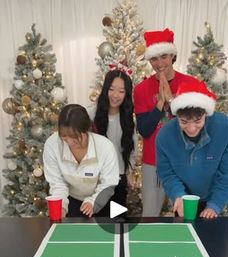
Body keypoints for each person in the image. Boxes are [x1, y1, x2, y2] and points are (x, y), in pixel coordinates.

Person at [134, 28, 196, 216]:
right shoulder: (142, 89)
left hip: (186, 161)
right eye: (154, 59)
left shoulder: (190, 84)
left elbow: (194, 128)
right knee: (150, 216)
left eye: (164, 57)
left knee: (187, 216)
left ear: (172, 56)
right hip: (154, 162)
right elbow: (144, 130)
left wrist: (171, 102)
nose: (159, 63)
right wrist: (160, 103)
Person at [156, 79, 228, 219]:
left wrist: (215, 205)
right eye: (184, 122)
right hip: (183, 198)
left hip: (215, 197)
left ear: (206, 113)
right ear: (177, 116)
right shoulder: (164, 136)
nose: (191, 129)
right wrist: (178, 195)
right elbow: (167, 174)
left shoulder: (227, 129)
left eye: (198, 121)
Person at [43, 104, 119, 217]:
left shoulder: (105, 147)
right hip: (72, 199)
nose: (69, 142)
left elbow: (108, 184)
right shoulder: (52, 144)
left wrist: (93, 202)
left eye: (74, 137)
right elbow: (57, 183)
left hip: (101, 200)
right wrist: (62, 206)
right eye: (64, 136)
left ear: (86, 130)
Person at [88, 67, 136, 207]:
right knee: (96, 222)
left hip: (119, 180)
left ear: (126, 94)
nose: (115, 95)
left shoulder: (128, 119)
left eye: (121, 91)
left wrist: (129, 172)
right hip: (96, 180)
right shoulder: (90, 115)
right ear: (105, 89)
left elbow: (132, 149)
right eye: (112, 89)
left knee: (116, 221)